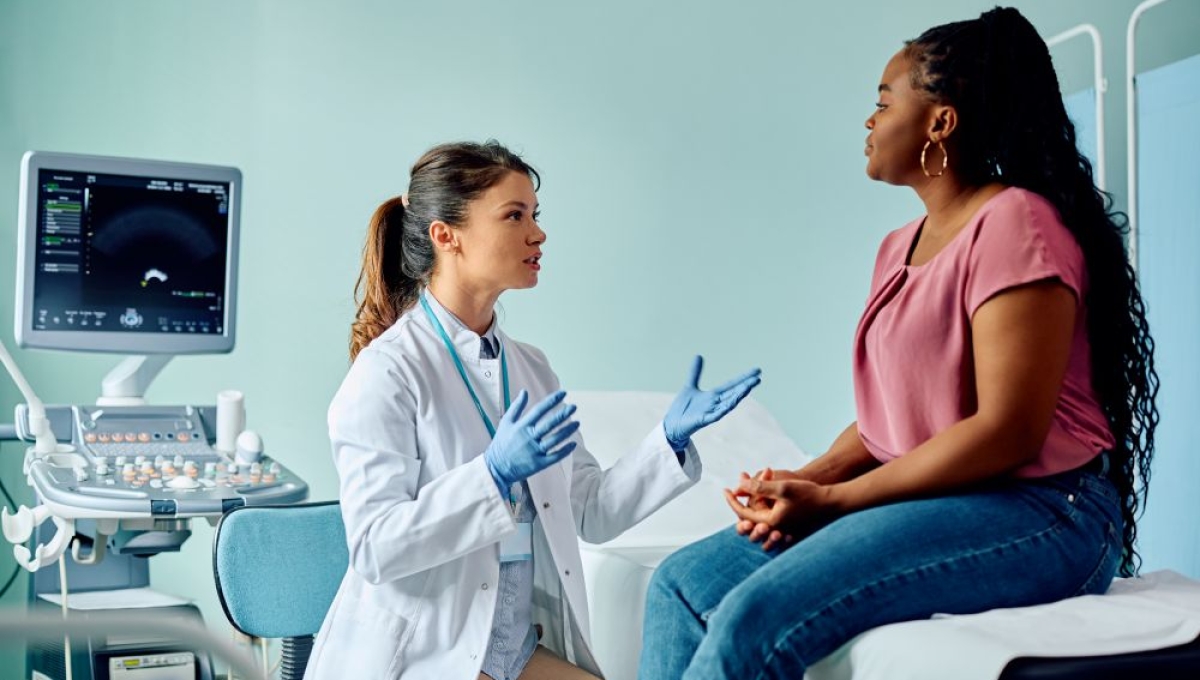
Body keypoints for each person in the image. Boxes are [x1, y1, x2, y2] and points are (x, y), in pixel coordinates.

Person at [638, 7, 1159, 678]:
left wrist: (838, 501)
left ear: (940, 122)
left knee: (752, 620)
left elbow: (1008, 431)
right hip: (939, 498)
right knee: (679, 586)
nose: (869, 120)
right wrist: (808, 477)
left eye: (884, 101)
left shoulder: (1014, 223)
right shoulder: (896, 250)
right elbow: (895, 418)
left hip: (1046, 511)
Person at [304, 140, 761, 680]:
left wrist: (670, 441)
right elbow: (376, 547)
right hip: (427, 655)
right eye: (514, 215)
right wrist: (491, 477)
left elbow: (589, 511)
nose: (537, 233)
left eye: (535, 215)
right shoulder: (388, 372)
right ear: (446, 236)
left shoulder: (531, 369)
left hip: (510, 651)